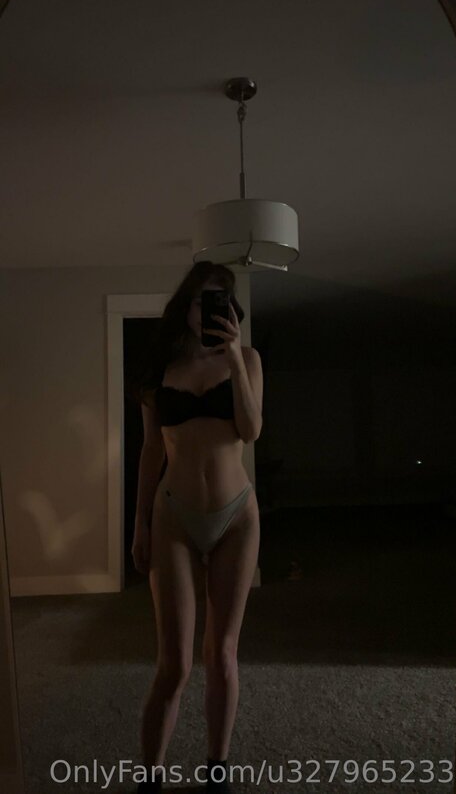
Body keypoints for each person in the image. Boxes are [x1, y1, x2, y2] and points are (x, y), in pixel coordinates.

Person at [131, 261, 263, 794]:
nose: (210, 309)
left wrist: (232, 356)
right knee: (175, 665)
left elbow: (251, 430)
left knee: (223, 654)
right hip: (174, 518)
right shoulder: (160, 368)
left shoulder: (246, 359)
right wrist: (140, 524)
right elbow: (149, 451)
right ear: (185, 306)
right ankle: (150, 776)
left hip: (236, 518)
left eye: (221, 301)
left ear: (231, 310)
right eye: (202, 299)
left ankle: (217, 769)